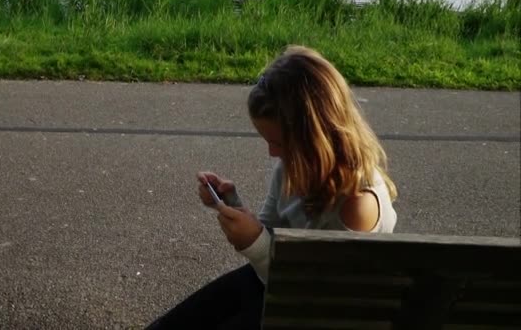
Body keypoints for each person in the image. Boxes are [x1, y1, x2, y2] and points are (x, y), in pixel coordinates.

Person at [146, 45, 398, 329]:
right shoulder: (295, 163)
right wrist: (233, 206)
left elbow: (313, 301)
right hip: (276, 283)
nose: (272, 153)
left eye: (278, 144)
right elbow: (269, 233)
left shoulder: (358, 203)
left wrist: (253, 244)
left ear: (314, 138)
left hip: (316, 312)